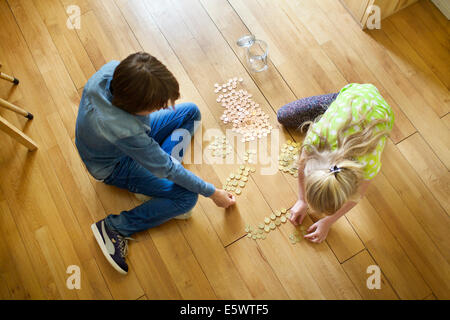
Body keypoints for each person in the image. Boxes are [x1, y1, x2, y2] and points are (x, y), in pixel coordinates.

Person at [75, 52, 235, 274]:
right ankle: (114, 228)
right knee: (187, 197)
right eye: (156, 106)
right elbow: (168, 168)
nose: (164, 109)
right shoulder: (127, 131)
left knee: (191, 113)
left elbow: (163, 160)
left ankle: (154, 170)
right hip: (113, 166)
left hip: (116, 141)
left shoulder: (113, 71)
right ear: (134, 107)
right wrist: (212, 192)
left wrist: (162, 165)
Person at [277, 83, 394, 243]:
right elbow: (301, 164)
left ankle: (342, 106)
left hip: (377, 113)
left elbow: (357, 196)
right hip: (349, 98)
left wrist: (329, 221)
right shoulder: (316, 137)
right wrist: (302, 199)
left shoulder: (368, 164)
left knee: (287, 116)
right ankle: (338, 103)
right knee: (283, 115)